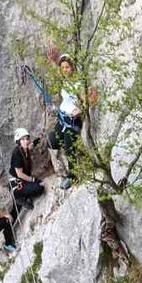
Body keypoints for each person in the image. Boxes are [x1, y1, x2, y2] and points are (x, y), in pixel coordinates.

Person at [48, 54, 83, 189]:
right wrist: (52, 62)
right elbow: (58, 73)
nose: (65, 70)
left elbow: (86, 100)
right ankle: (61, 171)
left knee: (69, 147)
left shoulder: (79, 83)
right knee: (51, 140)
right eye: (63, 67)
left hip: (73, 121)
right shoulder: (65, 81)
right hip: (63, 119)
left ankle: (73, 176)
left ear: (73, 68)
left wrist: (80, 110)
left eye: (67, 67)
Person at [9, 128, 45, 211]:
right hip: (17, 183)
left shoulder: (25, 149)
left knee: (40, 184)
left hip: (23, 181)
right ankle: (20, 198)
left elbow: (31, 145)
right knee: (39, 187)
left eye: (27, 139)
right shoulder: (17, 154)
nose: (26, 141)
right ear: (19, 142)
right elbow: (19, 174)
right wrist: (32, 179)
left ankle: (27, 195)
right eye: (23, 139)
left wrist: (40, 138)